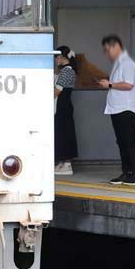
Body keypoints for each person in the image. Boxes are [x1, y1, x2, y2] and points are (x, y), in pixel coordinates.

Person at [98, 35, 135, 185]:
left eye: (107, 50)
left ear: (116, 46)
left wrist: (110, 84)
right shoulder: (119, 63)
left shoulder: (127, 63)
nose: (107, 53)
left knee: (129, 141)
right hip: (117, 108)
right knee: (122, 141)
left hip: (127, 109)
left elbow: (128, 85)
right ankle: (127, 172)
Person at [54, 46, 79, 175]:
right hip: (65, 105)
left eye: (56, 57)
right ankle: (62, 163)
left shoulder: (66, 71)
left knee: (64, 133)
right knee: (64, 132)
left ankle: (67, 164)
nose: (56, 60)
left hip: (62, 105)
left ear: (62, 57)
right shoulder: (68, 70)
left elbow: (57, 91)